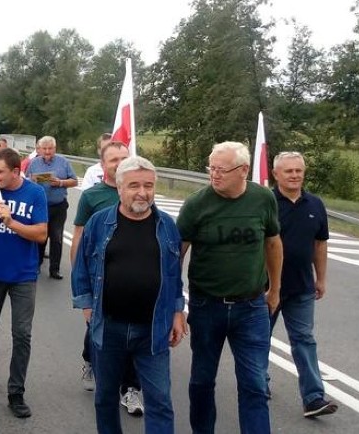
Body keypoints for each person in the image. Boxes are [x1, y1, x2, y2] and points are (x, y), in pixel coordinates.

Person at [72, 156, 187, 434]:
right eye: (134, 185)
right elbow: (82, 267)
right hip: (108, 327)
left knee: (160, 401)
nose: (142, 192)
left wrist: (176, 311)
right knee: (106, 398)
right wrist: (87, 305)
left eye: (148, 185)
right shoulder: (100, 223)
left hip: (153, 329)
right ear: (120, 188)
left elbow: (173, 274)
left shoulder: (167, 226)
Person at [177, 141, 282, 434]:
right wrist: (174, 302)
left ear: (243, 170)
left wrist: (275, 290)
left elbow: (273, 242)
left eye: (221, 169)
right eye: (211, 168)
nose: (214, 175)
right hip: (206, 305)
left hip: (251, 308)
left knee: (255, 384)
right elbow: (177, 253)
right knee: (201, 380)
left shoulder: (263, 199)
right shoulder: (197, 204)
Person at [0, 148, 48, 418]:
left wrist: (11, 222)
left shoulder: (35, 193)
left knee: (22, 334)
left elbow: (40, 233)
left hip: (24, 274)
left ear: (16, 171)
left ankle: (16, 392)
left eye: (0, 171)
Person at [71, 142, 144, 415]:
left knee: (135, 336)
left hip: (133, 279)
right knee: (96, 331)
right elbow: (79, 236)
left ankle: (131, 388)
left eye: (124, 158)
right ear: (103, 165)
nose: (119, 162)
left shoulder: (141, 192)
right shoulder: (92, 197)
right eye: (113, 159)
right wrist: (81, 283)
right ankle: (90, 358)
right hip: (100, 278)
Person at [270, 151, 338, 418]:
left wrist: (320, 278)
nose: (295, 175)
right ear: (276, 174)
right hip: (267, 287)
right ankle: (258, 385)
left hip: (302, 287)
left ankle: (313, 397)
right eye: (289, 171)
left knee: (304, 340)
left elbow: (320, 244)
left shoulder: (315, 204)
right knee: (259, 339)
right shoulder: (267, 202)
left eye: (299, 170)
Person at [24, 135, 77, 280]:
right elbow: (26, 181)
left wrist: (60, 182)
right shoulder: (34, 163)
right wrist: (33, 180)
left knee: (57, 237)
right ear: (40, 149)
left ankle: (55, 269)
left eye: (50, 148)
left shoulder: (63, 162)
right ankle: (36, 265)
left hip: (58, 206)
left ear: (55, 148)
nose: (47, 152)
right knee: (41, 236)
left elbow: (74, 181)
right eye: (44, 149)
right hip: (40, 206)